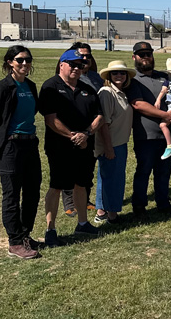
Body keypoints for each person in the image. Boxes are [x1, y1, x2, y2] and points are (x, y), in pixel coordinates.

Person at [40, 49, 103, 247]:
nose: (77, 68)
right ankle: (51, 229)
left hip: (84, 144)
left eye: (80, 65)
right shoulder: (51, 86)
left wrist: (87, 134)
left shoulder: (87, 89)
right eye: (72, 64)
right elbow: (51, 119)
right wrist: (73, 136)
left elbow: (99, 116)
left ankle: (82, 223)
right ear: (62, 65)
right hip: (60, 147)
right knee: (57, 186)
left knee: (82, 184)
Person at [0, 45, 42, 259]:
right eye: (20, 60)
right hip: (10, 146)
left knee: (32, 192)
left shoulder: (30, 86)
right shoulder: (2, 88)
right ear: (10, 62)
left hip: (30, 144)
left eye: (28, 60)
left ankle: (25, 234)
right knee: (11, 195)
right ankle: (15, 242)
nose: (25, 64)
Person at [125, 41, 171, 218]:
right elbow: (138, 104)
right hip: (146, 135)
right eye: (141, 55)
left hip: (167, 137)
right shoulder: (133, 80)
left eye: (148, 54)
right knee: (144, 171)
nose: (146, 58)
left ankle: (163, 203)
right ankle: (139, 206)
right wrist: (164, 115)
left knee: (164, 171)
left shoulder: (164, 76)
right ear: (134, 57)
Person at [61, 42, 101, 216]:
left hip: (91, 129)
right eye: (81, 56)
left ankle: (85, 200)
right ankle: (69, 202)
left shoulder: (96, 77)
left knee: (88, 167)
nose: (84, 59)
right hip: (71, 132)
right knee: (69, 167)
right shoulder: (69, 76)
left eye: (87, 56)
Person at [93, 60, 135, 224]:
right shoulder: (107, 92)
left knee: (106, 177)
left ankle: (102, 211)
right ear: (109, 76)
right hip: (112, 144)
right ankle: (112, 215)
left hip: (119, 142)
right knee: (113, 179)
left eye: (122, 73)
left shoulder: (120, 92)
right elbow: (104, 123)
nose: (119, 75)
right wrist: (108, 148)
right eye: (115, 73)